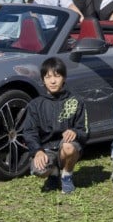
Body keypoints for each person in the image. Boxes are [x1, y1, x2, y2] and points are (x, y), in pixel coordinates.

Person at [22, 56, 87, 194]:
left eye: (57, 76)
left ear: (64, 78)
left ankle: (67, 176)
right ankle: (53, 173)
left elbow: (84, 130)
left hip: (67, 147)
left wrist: (75, 132)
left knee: (68, 147)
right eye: (48, 77)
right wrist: (38, 151)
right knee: (39, 170)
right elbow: (29, 132)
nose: (52, 81)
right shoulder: (35, 105)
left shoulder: (76, 101)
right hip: (46, 149)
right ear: (43, 80)